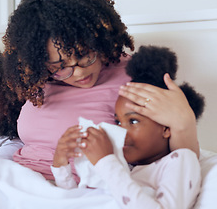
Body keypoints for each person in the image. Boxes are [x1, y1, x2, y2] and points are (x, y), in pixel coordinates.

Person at [0, 0, 134, 180]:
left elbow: (161, 146)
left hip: (82, 187)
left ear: (98, 40)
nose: (79, 73)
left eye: (85, 56)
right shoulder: (37, 78)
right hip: (19, 178)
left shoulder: (132, 73)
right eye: (60, 67)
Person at [52, 45, 205, 208]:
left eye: (133, 121)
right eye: (118, 122)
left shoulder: (180, 161)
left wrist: (105, 162)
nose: (121, 131)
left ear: (166, 128)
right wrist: (61, 163)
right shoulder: (125, 163)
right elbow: (80, 201)